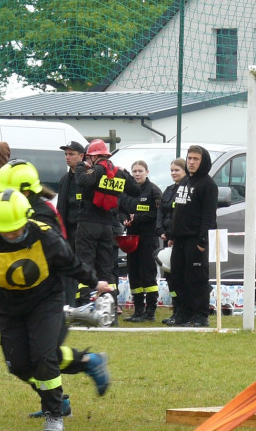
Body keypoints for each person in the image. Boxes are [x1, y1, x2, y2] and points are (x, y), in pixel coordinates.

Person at [0, 189, 113, 431]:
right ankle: (88, 362)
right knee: (18, 364)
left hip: (45, 302)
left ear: (26, 219)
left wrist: (95, 282)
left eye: (14, 228)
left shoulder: (46, 236)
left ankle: (54, 414)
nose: (10, 234)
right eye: (4, 229)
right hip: (8, 307)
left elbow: (71, 263)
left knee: (43, 355)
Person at [74, 139, 139, 303]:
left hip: (88, 224)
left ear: (94, 157)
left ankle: (85, 304)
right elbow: (135, 189)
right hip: (108, 226)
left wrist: (81, 166)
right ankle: (110, 306)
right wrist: (126, 173)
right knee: (106, 267)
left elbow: (82, 180)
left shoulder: (95, 170)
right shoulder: (118, 173)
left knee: (85, 263)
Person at [167, 145, 218, 328]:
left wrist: (202, 240)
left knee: (196, 278)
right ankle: (182, 313)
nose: (191, 162)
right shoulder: (184, 182)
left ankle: (200, 315)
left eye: (196, 159)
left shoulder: (208, 185)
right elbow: (178, 211)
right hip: (179, 239)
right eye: (189, 158)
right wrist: (172, 234)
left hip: (196, 240)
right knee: (178, 278)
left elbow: (209, 216)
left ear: (203, 161)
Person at [122, 160, 163, 322]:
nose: (137, 174)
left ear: (147, 172)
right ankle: (138, 310)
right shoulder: (127, 190)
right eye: (134, 171)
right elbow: (120, 209)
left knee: (148, 273)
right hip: (132, 238)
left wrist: (137, 218)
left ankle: (150, 311)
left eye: (140, 171)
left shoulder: (153, 191)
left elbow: (158, 213)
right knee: (134, 273)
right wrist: (124, 220)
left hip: (148, 237)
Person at [56, 141, 86, 305]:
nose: (67, 157)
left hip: (84, 230)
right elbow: (60, 206)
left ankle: (84, 301)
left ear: (81, 156)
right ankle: (70, 302)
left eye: (71, 154)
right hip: (68, 230)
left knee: (83, 266)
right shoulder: (65, 179)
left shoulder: (88, 177)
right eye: (66, 154)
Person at [157, 157, 186, 325]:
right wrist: (160, 230)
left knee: (179, 277)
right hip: (166, 238)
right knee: (169, 278)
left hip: (177, 239)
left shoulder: (185, 190)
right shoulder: (168, 190)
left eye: (177, 170)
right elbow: (161, 211)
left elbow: (179, 214)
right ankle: (175, 309)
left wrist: (173, 235)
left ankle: (182, 311)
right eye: (172, 170)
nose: (174, 173)